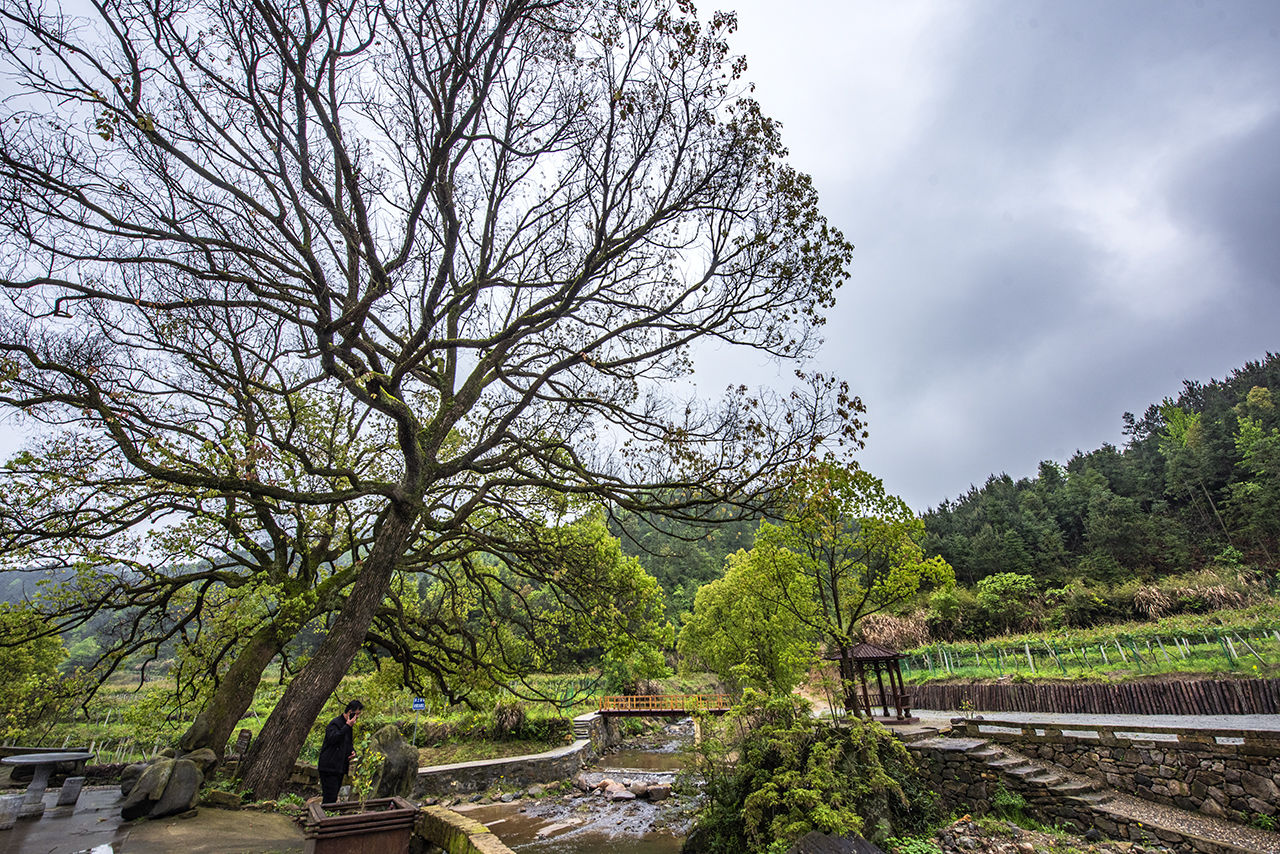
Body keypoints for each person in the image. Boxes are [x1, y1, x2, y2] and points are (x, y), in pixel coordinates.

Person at [317, 700, 363, 804]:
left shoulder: (349, 727)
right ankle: (325, 818)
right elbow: (333, 739)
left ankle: (329, 817)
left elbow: (348, 743)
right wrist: (347, 726)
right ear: (350, 712)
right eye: (356, 714)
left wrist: (352, 752)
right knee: (330, 798)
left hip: (339, 767)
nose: (357, 717)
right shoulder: (335, 723)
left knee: (333, 796)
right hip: (329, 767)